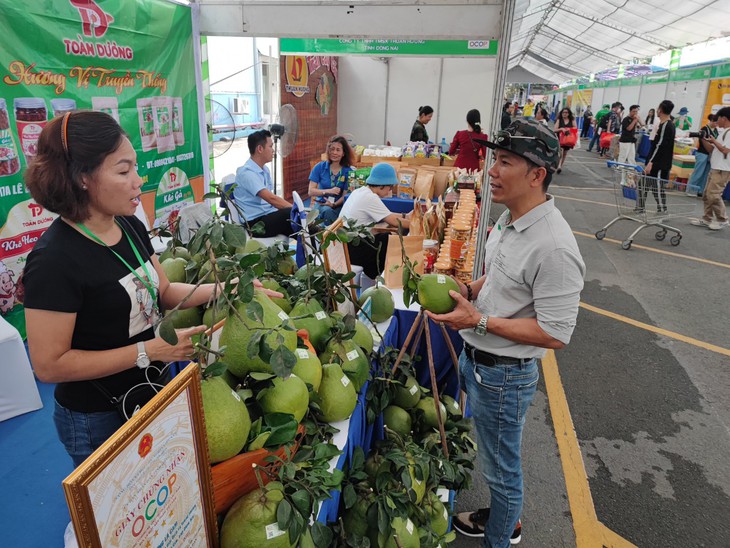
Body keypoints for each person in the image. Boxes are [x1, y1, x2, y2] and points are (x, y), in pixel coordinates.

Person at [21, 111, 228, 467]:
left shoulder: (129, 227)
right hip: (97, 416)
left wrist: (223, 288)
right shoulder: (54, 259)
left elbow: (162, 290)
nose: (138, 180)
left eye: (135, 167)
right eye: (123, 171)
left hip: (149, 389)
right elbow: (48, 366)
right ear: (82, 177)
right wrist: (147, 350)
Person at [431, 119, 585, 548]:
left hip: (504, 376)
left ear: (537, 175)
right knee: (495, 459)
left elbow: (555, 333)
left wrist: (478, 321)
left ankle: (500, 535)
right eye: (493, 160)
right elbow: (496, 277)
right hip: (477, 361)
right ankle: (500, 516)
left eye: (505, 162)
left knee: (503, 471)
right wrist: (467, 291)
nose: (491, 171)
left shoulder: (554, 247)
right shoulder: (510, 217)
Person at [338, 163, 410, 279]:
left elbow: (387, 215)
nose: (389, 191)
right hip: (353, 249)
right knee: (388, 240)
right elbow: (394, 221)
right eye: (390, 187)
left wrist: (405, 216)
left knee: (385, 237)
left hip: (345, 245)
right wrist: (419, 223)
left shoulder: (361, 191)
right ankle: (381, 278)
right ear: (382, 185)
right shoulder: (370, 197)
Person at [233, 129, 293, 237]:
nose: (273, 150)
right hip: (255, 224)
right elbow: (271, 199)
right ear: (260, 149)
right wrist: (298, 211)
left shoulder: (265, 170)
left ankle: (319, 246)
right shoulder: (246, 173)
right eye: (270, 146)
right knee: (290, 214)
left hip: (267, 215)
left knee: (299, 228)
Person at [690, 106, 730, 230]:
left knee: (714, 195)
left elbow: (725, 150)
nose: (717, 121)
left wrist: (714, 141)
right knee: (707, 194)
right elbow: (712, 150)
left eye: (718, 119)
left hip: (723, 169)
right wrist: (704, 140)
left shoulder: (729, 133)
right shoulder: (722, 132)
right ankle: (707, 219)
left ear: (724, 118)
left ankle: (722, 219)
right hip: (715, 166)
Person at [308, 135, 354, 225]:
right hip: (321, 203)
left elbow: (345, 196)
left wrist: (334, 204)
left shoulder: (348, 172)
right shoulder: (320, 167)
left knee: (328, 212)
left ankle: (328, 235)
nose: (334, 153)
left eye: (338, 150)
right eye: (332, 149)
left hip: (337, 205)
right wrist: (328, 191)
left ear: (343, 153)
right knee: (320, 212)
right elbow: (311, 191)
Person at [641, 100, 676, 213]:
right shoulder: (662, 124)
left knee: (657, 188)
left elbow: (660, 146)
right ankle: (640, 207)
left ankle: (662, 210)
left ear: (660, 109)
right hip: (653, 160)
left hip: (659, 163)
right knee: (643, 184)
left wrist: (651, 162)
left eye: (658, 108)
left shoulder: (667, 125)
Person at [685, 114, 718, 196]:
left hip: (711, 155)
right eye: (715, 122)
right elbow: (701, 141)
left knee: (706, 174)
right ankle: (691, 189)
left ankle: (700, 190)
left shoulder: (716, 131)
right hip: (702, 153)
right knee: (698, 172)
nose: (717, 124)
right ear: (711, 121)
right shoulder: (704, 129)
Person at [553, 107, 577, 173]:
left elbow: (575, 127)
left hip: (568, 139)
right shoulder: (559, 120)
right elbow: (554, 130)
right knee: (561, 151)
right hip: (560, 139)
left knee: (565, 154)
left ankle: (560, 166)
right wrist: (561, 129)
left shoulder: (572, 119)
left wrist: (568, 129)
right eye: (563, 112)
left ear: (569, 113)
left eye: (566, 112)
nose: (564, 114)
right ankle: (559, 166)